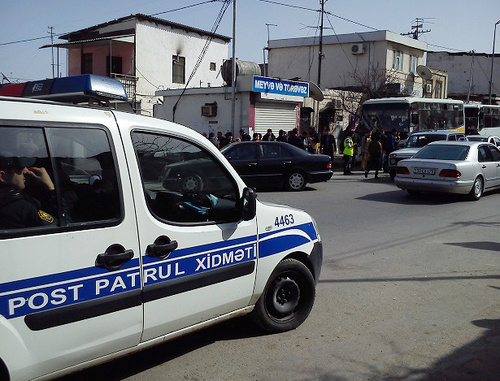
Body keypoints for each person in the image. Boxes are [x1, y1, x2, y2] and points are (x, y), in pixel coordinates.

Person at [0, 156, 58, 229]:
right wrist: (51, 188)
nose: (26, 171)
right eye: (19, 169)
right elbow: (64, 229)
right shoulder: (24, 208)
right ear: (2, 176)